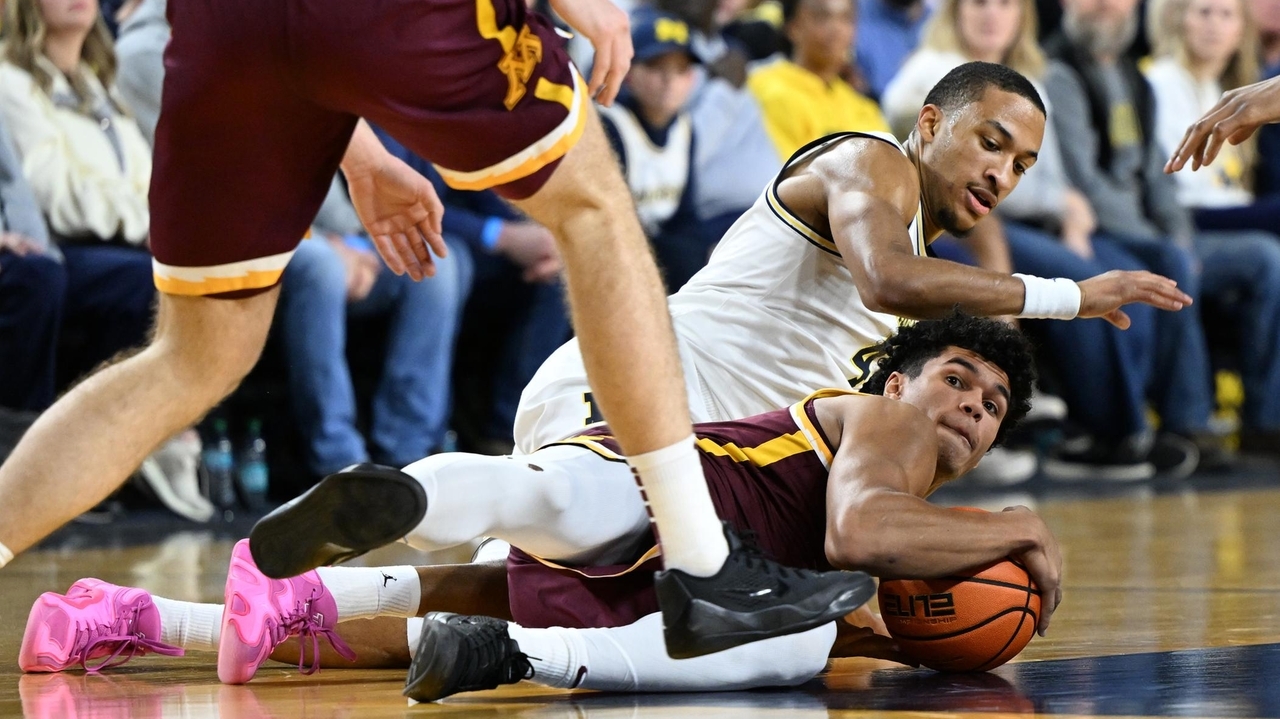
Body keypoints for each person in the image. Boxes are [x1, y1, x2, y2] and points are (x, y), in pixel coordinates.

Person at [0, 0, 876, 660]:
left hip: (224, 24)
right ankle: (701, 562)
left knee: (192, 356)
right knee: (595, 212)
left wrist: (357, 152)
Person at [24, 314, 1063, 700]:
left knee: (506, 546)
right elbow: (854, 531)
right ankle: (522, 655)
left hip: (663, 570)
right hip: (674, 496)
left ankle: (128, 617)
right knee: (780, 637)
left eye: (989, 408)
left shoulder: (905, 493)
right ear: (898, 381)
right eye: (956, 379)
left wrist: (904, 636)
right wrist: (1013, 526)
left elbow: (842, 566)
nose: (968, 408)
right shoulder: (888, 429)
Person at [512, 61, 1191, 469]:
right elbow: (885, 279)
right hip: (632, 387)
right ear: (930, 124)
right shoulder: (871, 161)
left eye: (1021, 165)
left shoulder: (922, 262)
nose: (1002, 173)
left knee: (535, 609)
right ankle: (457, 499)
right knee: (572, 571)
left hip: (711, 454)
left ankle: (441, 586)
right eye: (992, 143)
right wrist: (1069, 297)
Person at [882, 0, 1202, 479]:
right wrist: (1062, 210)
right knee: (1080, 279)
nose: (992, 15)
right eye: (979, 3)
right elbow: (935, 172)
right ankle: (1108, 434)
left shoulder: (1032, 79)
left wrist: (1070, 209)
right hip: (975, 225)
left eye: (1005, 5)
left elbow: (1046, 175)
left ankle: (1147, 425)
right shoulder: (930, 73)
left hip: (1039, 220)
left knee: (1131, 275)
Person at [0, 0, 213, 522]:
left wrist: (158, 223)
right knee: (128, 280)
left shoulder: (100, 86)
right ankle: (46, 466)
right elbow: (58, 193)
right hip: (65, 243)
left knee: (185, 278)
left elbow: (150, 181)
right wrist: (147, 223)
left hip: (121, 242)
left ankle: (123, 453)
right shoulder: (12, 82)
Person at [1046, 0, 1280, 467]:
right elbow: (1085, 182)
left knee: (1264, 258)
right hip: (1099, 230)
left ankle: (1265, 422)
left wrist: (1177, 236)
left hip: (1154, 229)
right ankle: (1185, 423)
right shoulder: (1059, 74)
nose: (1107, 6)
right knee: (1173, 263)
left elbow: (1159, 177)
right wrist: (1162, 240)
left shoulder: (1131, 76)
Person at [598, 9, 717, 291]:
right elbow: (609, 219)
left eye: (680, 70)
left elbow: (685, 215)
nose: (669, 80)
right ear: (628, 73)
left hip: (658, 246)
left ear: (692, 79)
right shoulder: (609, 123)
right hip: (613, 248)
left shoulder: (685, 128)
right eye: (655, 67)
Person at [748, 0, 891, 161]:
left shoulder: (864, 107)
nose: (836, 29)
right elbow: (786, 172)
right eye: (822, 17)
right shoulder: (766, 90)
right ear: (793, 27)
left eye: (846, 18)